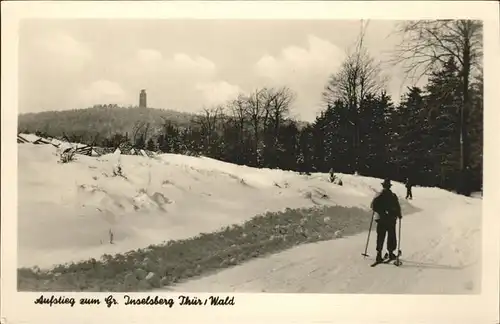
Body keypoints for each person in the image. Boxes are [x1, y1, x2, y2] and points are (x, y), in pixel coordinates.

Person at [370, 179, 402, 262]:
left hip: (381, 219)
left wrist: (382, 212)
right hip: (391, 219)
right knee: (391, 236)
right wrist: (398, 214)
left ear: (383, 186)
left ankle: (379, 254)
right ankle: (391, 253)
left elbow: (373, 206)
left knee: (380, 236)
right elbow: (397, 207)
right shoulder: (393, 195)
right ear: (389, 186)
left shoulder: (379, 195)